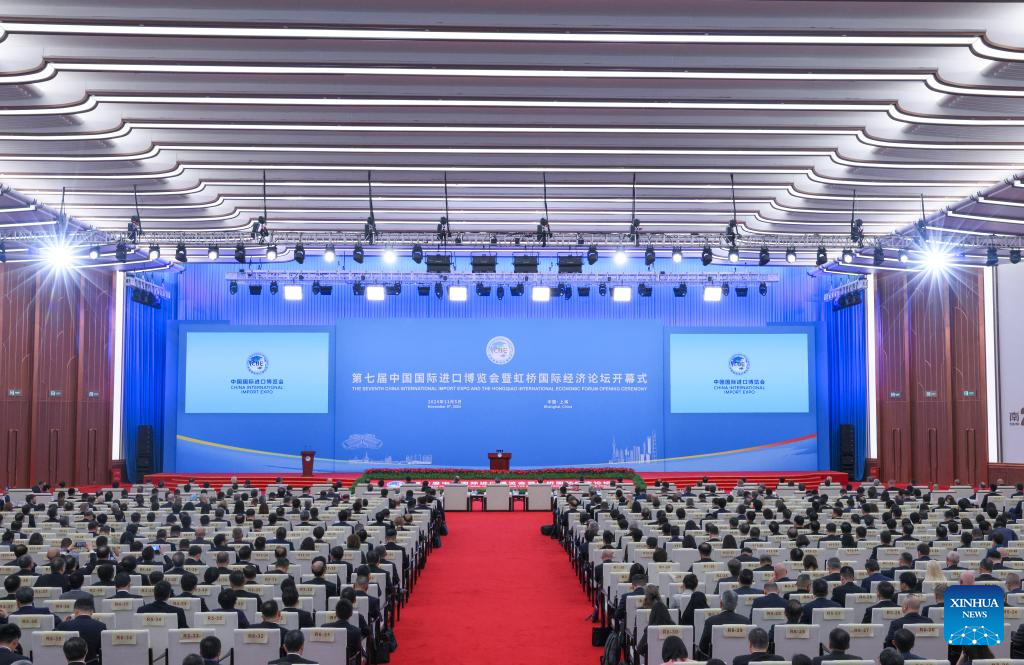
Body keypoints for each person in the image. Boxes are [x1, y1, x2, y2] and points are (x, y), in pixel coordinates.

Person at [698, 590, 750, 660]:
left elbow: (703, 647)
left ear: (721, 604)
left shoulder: (710, 621)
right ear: (736, 605)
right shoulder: (746, 621)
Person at [55, 597, 106, 664]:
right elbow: (103, 651)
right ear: (92, 611)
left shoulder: (63, 625)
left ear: (75, 611)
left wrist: (63, 623)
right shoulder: (101, 626)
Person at [321, 598, 363, 663]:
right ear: (351, 614)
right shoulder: (356, 631)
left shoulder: (324, 628)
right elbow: (356, 651)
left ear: (336, 613)